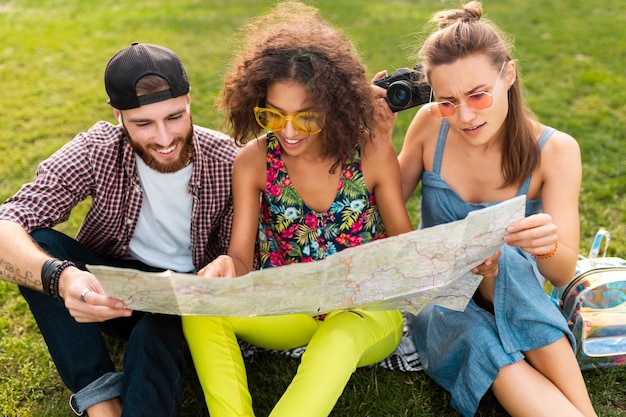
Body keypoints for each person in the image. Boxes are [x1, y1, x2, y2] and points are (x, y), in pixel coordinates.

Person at [181, 2, 414, 416]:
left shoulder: (372, 151)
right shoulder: (253, 161)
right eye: (274, 115)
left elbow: (404, 247)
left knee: (339, 334)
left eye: (305, 118)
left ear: (334, 107)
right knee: (198, 307)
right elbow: (240, 257)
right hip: (289, 305)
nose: (288, 131)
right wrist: (223, 268)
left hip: (365, 312)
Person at [381, 2, 597, 416]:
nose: (464, 116)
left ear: (509, 74)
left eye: (478, 95)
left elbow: (561, 272)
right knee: (481, 342)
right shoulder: (429, 125)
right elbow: (383, 211)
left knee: (510, 259)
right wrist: (376, 142)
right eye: (447, 101)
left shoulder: (556, 150)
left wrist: (547, 246)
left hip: (516, 294)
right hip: (443, 299)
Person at [0, 42, 237, 417]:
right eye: (143, 123)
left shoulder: (231, 161)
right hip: (113, 294)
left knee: (155, 333)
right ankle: (101, 403)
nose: (163, 138)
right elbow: (7, 223)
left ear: (189, 100)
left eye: (174, 117)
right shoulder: (98, 149)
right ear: (119, 115)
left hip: (189, 298)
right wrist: (62, 279)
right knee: (41, 245)